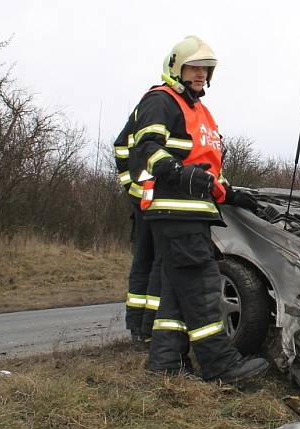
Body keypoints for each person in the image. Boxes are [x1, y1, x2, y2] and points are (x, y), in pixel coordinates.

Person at [129, 35, 267, 382]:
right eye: (194, 68)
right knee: (204, 289)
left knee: (176, 292)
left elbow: (205, 170)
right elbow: (146, 146)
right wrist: (175, 172)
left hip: (191, 212)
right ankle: (221, 364)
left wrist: (232, 194)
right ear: (176, 67)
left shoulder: (200, 112)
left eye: (206, 70)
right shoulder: (161, 100)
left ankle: (166, 363)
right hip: (175, 211)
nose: (200, 75)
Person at [114, 116, 162, 345]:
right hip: (145, 203)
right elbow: (121, 148)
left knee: (156, 263)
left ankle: (147, 326)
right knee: (147, 262)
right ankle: (139, 327)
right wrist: (133, 189)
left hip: (164, 203)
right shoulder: (147, 110)